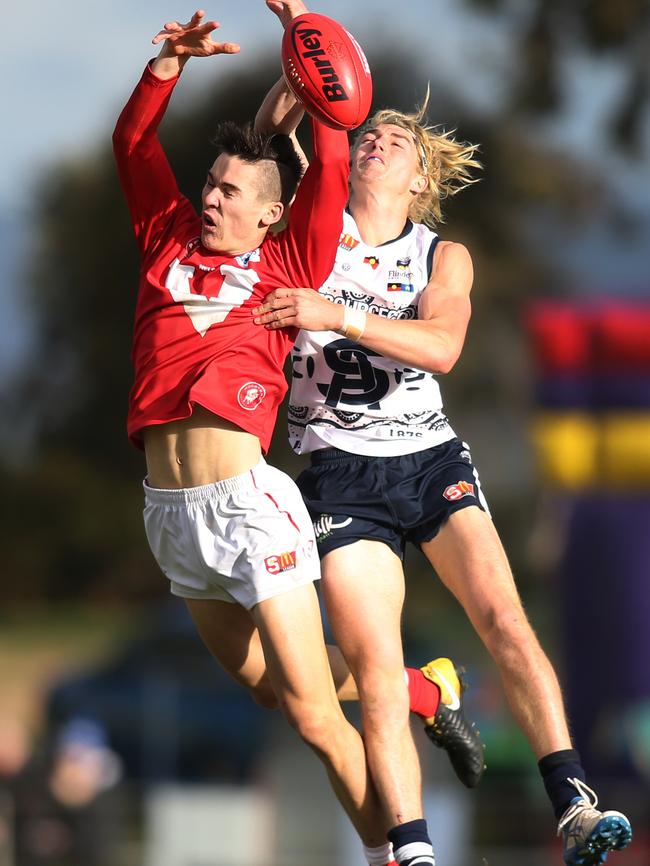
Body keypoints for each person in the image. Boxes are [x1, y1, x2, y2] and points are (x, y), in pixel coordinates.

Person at [252, 17, 634, 866]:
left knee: (503, 616)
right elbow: (267, 138)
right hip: (338, 470)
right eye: (371, 132)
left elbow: (443, 348)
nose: (378, 138)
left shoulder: (441, 256)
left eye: (396, 138)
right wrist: (303, 56)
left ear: (422, 177)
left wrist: (336, 314)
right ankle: (415, 852)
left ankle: (572, 802)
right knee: (378, 669)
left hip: (428, 460)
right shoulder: (311, 221)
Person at [113, 7, 480, 866]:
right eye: (208, 184)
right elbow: (134, 147)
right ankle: (423, 690)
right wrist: (166, 67)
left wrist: (314, 41)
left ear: (273, 215)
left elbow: (334, 146)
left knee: (319, 718)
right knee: (285, 693)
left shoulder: (290, 262)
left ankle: (398, 857)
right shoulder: (163, 235)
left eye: (230, 192)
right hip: (171, 514)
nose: (209, 197)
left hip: (250, 506)